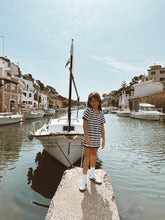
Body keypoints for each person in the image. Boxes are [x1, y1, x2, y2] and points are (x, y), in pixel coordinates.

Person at [79, 92, 105, 192]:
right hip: (89, 138)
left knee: (93, 156)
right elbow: (84, 125)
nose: (94, 103)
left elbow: (102, 126)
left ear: (99, 101)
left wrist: (103, 139)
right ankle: (83, 180)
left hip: (97, 138)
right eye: (92, 101)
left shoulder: (101, 113)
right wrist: (87, 137)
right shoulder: (87, 111)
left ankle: (93, 174)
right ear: (89, 102)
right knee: (87, 158)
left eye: (96, 101)